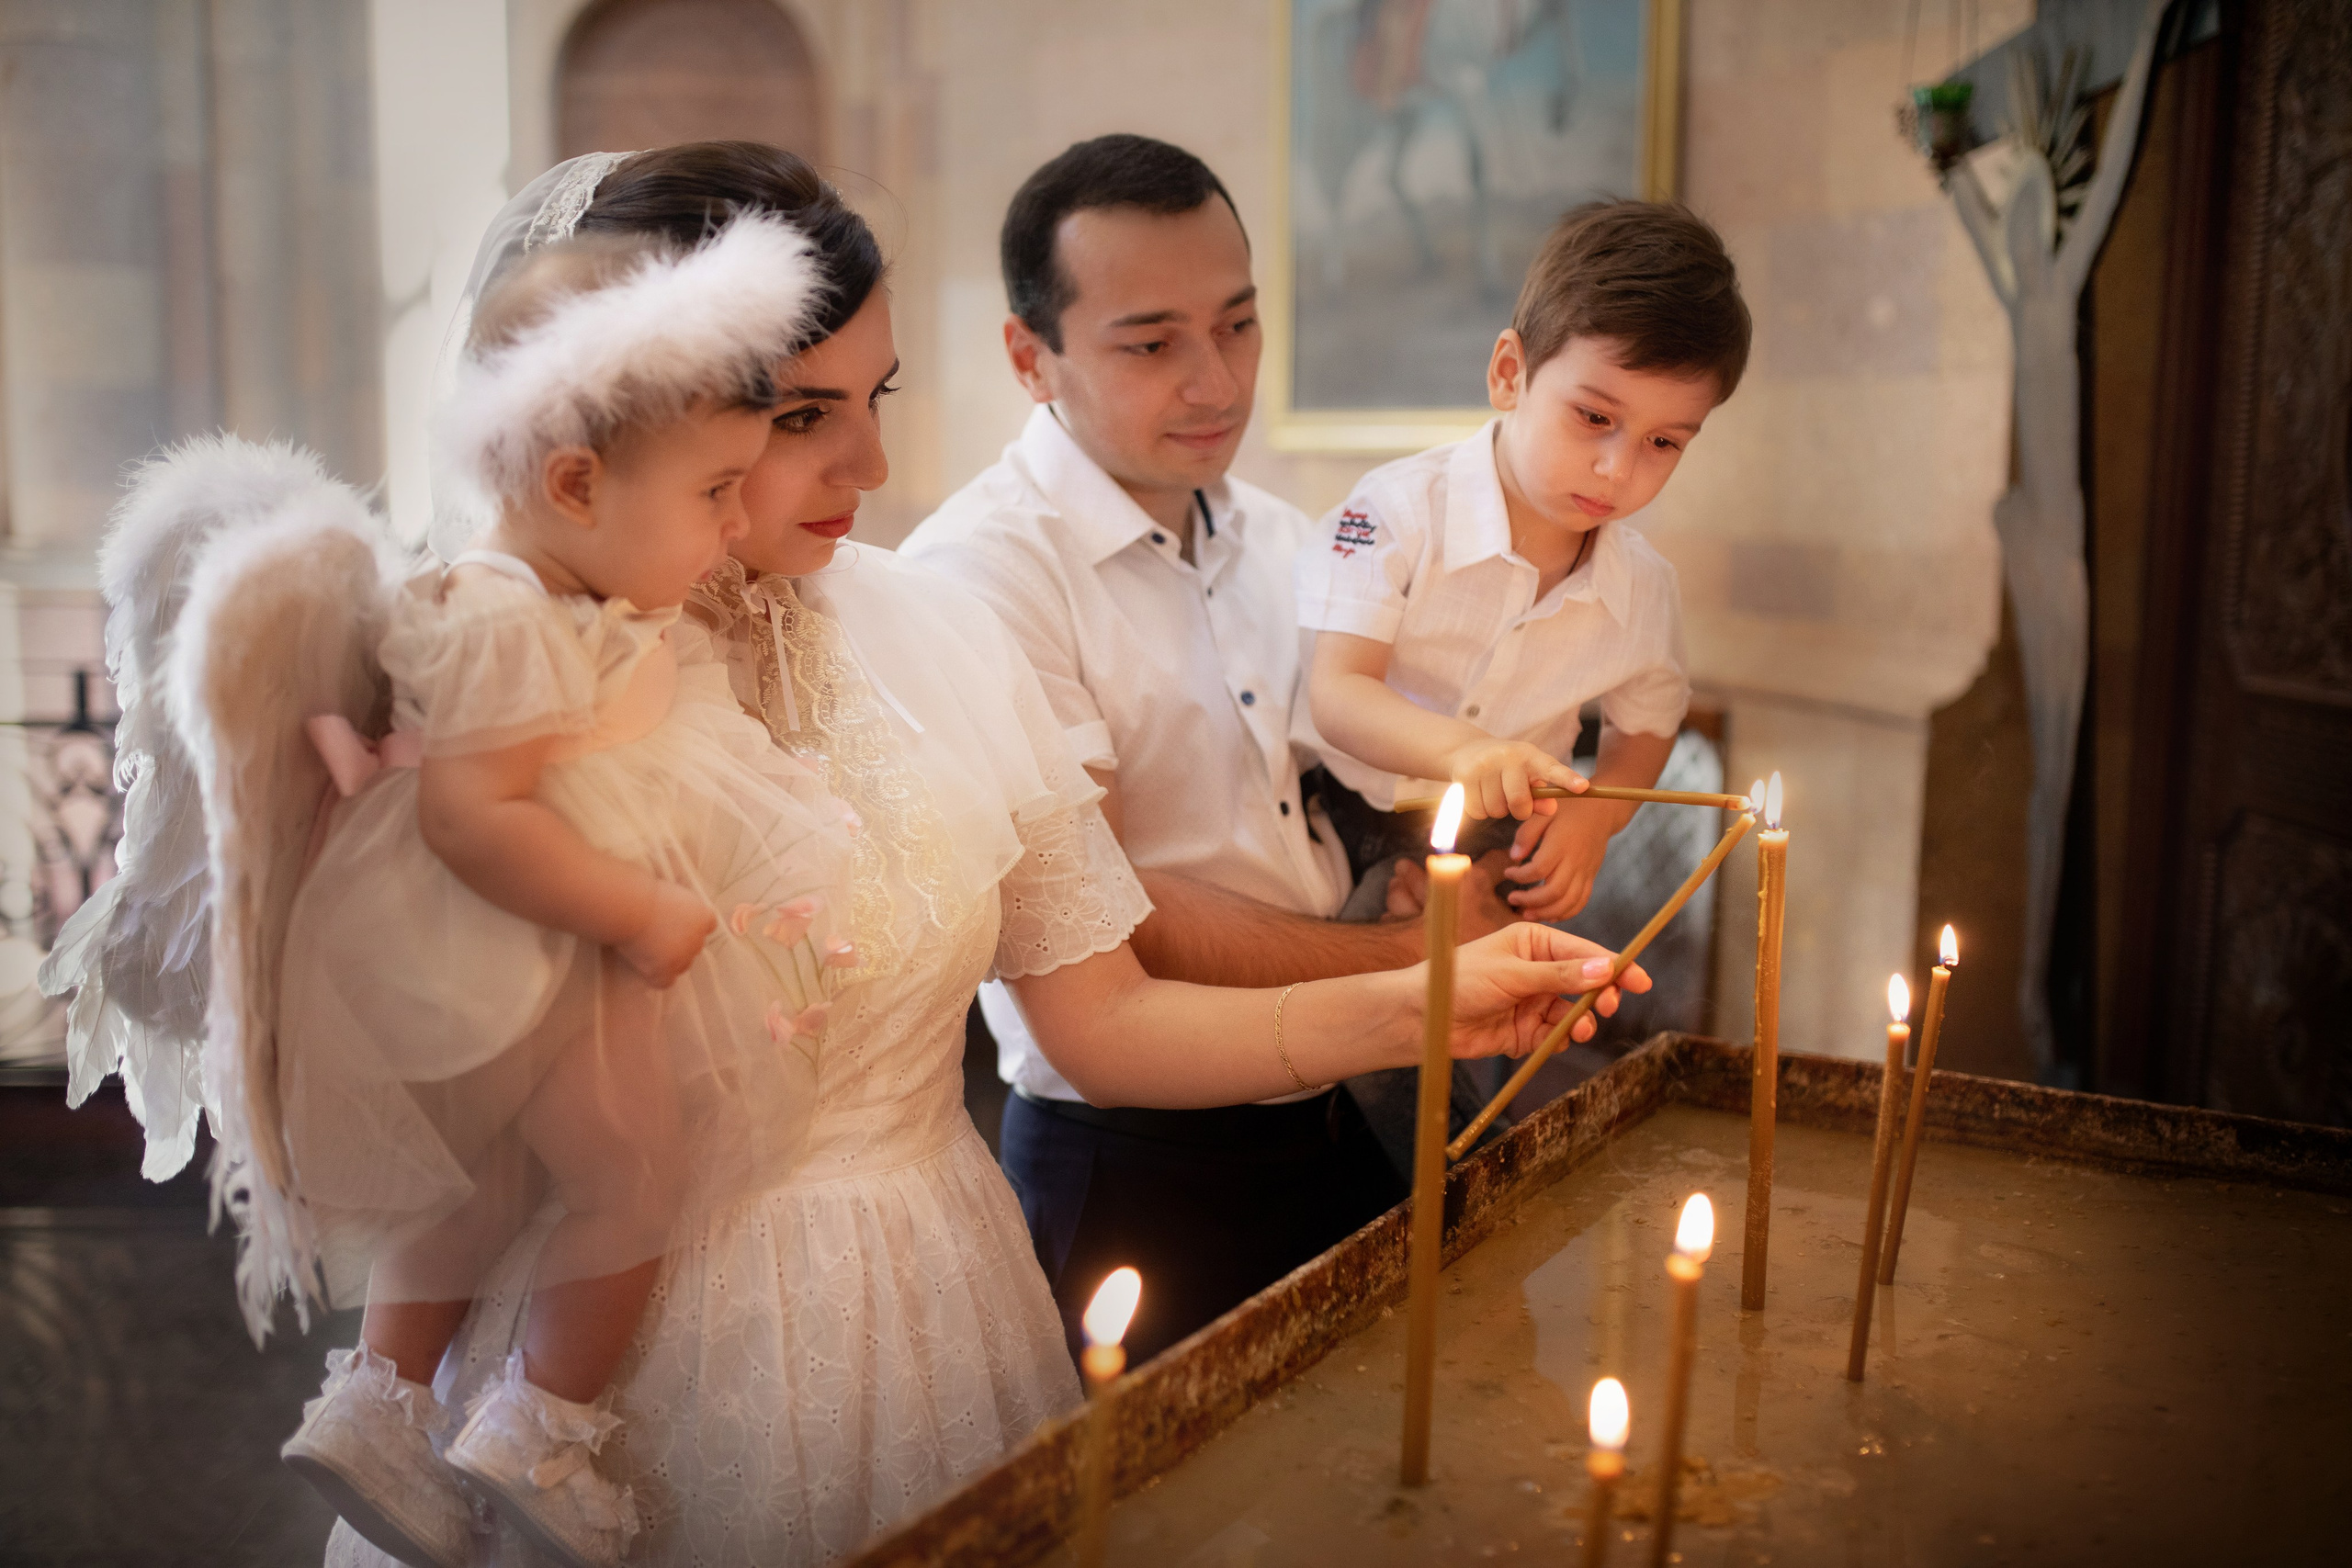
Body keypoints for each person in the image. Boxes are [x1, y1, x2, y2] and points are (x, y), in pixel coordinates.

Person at [315, 141, 1648, 1568]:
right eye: (797, 412)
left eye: (873, 397)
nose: (872, 462)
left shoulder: (939, 633)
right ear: (613, 418)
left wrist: (1430, 997)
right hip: (608, 1345)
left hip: (935, 1305)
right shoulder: (503, 680)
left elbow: (1108, 1012)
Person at [899, 134, 1520, 1362]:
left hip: (1340, 1114)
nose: (1217, 380)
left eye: (1237, 324)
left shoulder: (1287, 536)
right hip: (1131, 1157)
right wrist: (1407, 954)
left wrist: (1461, 853)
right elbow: (1112, 913)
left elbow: (1334, 784)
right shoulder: (977, 577)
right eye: (1151, 341)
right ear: (1032, 357)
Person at [1300, 199, 1750, 924]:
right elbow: (1339, 691)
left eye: (1663, 443)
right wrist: (1462, 751)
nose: (1616, 468)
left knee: (1485, 1016)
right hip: (1342, 818)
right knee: (1354, 1011)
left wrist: (1599, 816)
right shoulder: (1395, 511)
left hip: (1503, 842)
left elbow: (1649, 721)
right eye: (1595, 417)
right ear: (1511, 373)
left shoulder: (1643, 589)